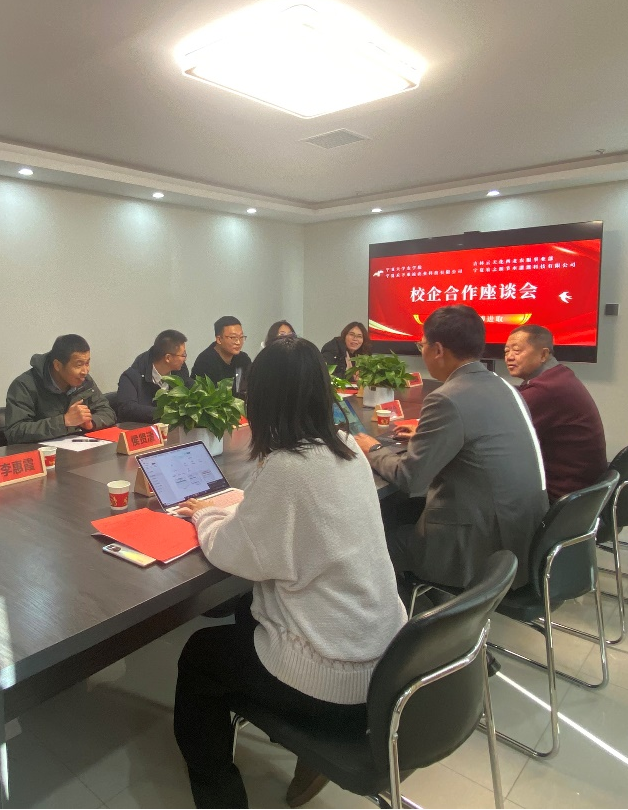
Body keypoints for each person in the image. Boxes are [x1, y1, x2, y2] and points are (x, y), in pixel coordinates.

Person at [174, 338, 406, 809]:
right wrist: (240, 507)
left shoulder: (286, 467)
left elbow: (234, 552)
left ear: (260, 399)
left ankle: (222, 798)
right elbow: (285, 522)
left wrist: (206, 514)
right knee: (247, 608)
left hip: (332, 681)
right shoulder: (346, 448)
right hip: (386, 664)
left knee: (200, 655)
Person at [354, 305, 547, 590]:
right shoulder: (505, 387)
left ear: (438, 350)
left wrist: (372, 449)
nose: (422, 351)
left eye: (422, 344)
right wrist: (428, 435)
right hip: (522, 539)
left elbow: (411, 479)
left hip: (476, 548)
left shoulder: (447, 398)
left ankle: (405, 612)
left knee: (373, 539)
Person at [505, 325, 608, 501]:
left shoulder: (546, 390)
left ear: (543, 355)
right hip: (585, 491)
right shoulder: (559, 375)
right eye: (506, 351)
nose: (509, 357)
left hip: (563, 496)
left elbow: (502, 434)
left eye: (517, 350)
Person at [4, 334, 116, 443]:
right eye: (78, 365)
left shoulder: (84, 381)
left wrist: (91, 423)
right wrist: (64, 421)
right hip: (42, 453)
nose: (85, 371)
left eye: (87, 363)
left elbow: (108, 412)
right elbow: (15, 431)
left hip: (77, 449)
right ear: (57, 365)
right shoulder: (25, 385)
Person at [113, 330, 190, 423]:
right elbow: (127, 409)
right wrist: (167, 413)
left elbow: (190, 390)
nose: (185, 358)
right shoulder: (131, 377)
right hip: (141, 428)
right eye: (183, 355)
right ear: (168, 358)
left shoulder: (180, 371)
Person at [191, 316, 253, 398]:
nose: (238, 342)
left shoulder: (243, 359)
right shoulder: (205, 361)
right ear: (219, 339)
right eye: (233, 337)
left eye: (241, 337)